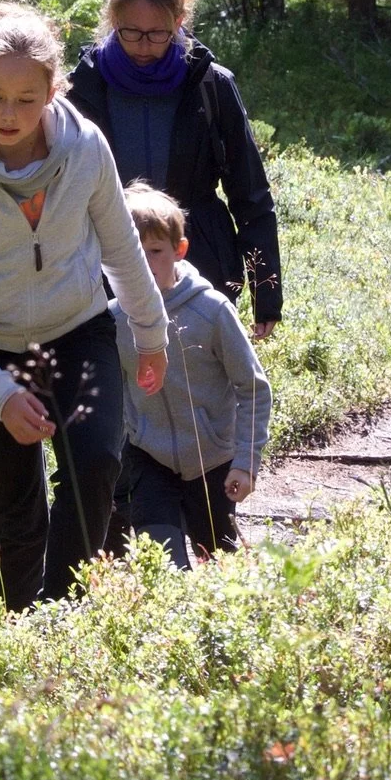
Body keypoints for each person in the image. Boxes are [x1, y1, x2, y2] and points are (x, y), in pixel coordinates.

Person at [0, 2, 170, 609]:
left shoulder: (85, 150)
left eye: (27, 99)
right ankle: (15, 626)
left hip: (78, 331)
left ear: (54, 91)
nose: (9, 114)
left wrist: (151, 332)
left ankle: (57, 621)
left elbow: (121, 248)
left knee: (98, 465)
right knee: (17, 507)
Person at [66, 0, 284, 340]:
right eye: (132, 32)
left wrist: (266, 292)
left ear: (179, 21)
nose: (144, 46)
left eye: (157, 33)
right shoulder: (83, 88)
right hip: (107, 268)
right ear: (113, 20)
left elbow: (250, 192)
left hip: (200, 263)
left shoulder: (211, 86)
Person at [111, 182, 272, 567]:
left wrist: (245, 461)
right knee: (164, 563)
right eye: (133, 253)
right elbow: (110, 396)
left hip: (212, 460)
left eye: (155, 251)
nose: (145, 264)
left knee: (219, 561)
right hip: (149, 458)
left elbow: (253, 389)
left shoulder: (211, 311)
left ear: (179, 250)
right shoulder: (114, 319)